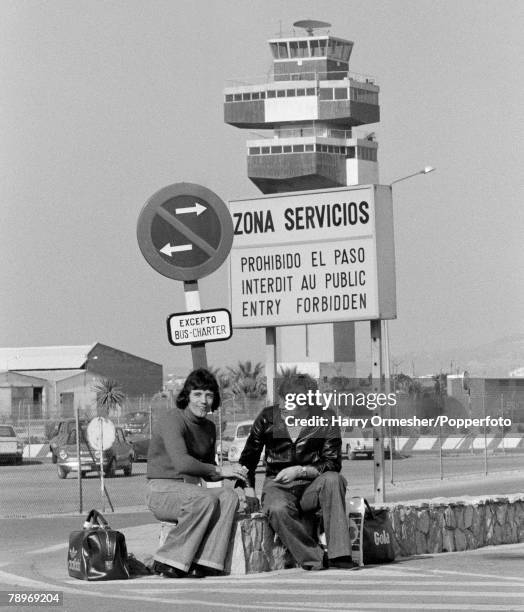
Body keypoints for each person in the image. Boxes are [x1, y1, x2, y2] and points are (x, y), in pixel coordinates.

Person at [238, 374, 353, 571]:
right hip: (278, 485)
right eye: (282, 398)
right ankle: (316, 558)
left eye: (290, 401)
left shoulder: (326, 418)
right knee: (276, 508)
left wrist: (301, 471)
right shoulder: (267, 418)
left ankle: (340, 555)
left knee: (334, 480)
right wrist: (246, 488)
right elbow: (248, 458)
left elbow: (333, 463)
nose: (283, 405)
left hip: (312, 485)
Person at [146, 368, 247, 578]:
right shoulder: (172, 419)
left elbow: (208, 471)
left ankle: (206, 561)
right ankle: (166, 560)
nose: (204, 401)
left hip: (192, 492)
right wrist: (220, 469)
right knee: (204, 498)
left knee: (228, 497)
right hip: (161, 490)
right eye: (198, 394)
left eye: (209, 395)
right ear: (187, 396)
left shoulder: (209, 428)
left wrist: (232, 473)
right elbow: (182, 463)